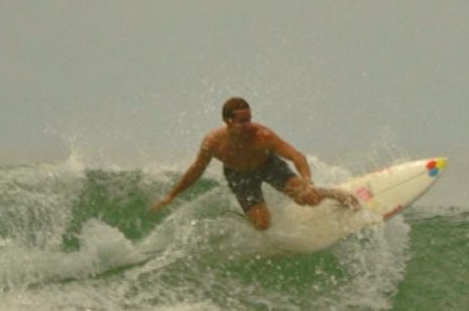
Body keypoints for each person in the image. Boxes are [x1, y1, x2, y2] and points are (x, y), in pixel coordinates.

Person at [149, 97, 359, 231]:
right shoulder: (213, 143)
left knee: (307, 199)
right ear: (227, 121)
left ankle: (334, 194)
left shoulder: (262, 136)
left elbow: (296, 156)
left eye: (249, 119)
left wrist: (307, 180)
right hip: (238, 176)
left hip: (268, 165)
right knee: (262, 224)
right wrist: (172, 195)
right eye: (242, 121)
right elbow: (196, 170)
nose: (248, 125)